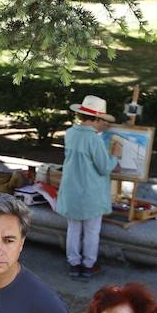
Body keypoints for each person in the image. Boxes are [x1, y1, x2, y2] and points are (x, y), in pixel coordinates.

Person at [56, 95, 121, 279]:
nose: (104, 126)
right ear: (97, 120)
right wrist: (114, 155)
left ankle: (74, 264)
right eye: (103, 122)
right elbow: (104, 167)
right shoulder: (94, 140)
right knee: (92, 231)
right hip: (90, 194)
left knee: (73, 229)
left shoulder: (70, 133)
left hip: (71, 192)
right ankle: (88, 265)